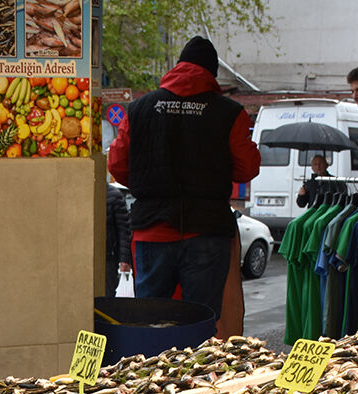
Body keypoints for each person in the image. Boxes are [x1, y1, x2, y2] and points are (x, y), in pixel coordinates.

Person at [108, 36, 261, 320]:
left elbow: (117, 165)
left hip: (151, 229)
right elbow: (247, 169)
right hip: (207, 230)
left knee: (151, 321)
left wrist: (150, 182)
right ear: (212, 74)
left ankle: (153, 365)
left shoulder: (139, 109)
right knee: (201, 322)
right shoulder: (230, 114)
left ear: (178, 67)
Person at [105, 184, 132, 296]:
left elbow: (123, 230)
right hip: (108, 256)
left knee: (106, 296)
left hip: (108, 258)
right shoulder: (114, 195)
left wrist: (125, 259)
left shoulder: (114, 196)